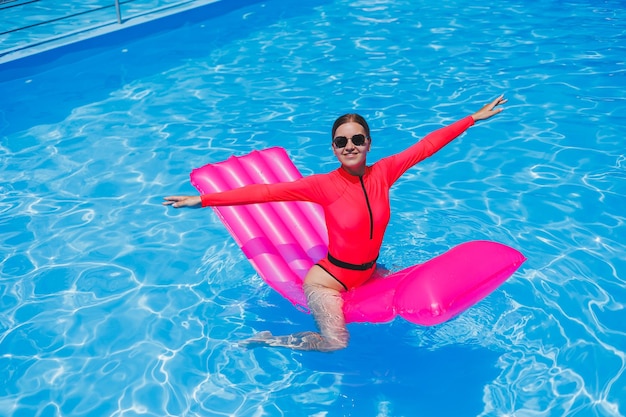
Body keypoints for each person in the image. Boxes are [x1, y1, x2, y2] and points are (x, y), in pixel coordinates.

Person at [164, 95, 507, 352]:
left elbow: (427, 146)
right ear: (333, 149)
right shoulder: (323, 185)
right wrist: (203, 200)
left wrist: (472, 119)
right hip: (329, 283)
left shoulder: (384, 173)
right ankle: (272, 341)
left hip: (370, 271)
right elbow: (267, 191)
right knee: (336, 343)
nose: (350, 146)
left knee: (414, 280)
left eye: (357, 139)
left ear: (368, 143)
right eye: (342, 142)